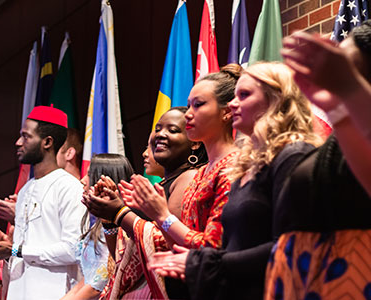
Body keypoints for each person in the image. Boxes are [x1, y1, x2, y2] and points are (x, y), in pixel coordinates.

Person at [148, 62, 323, 300]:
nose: (232, 103)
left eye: (244, 95)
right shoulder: (247, 165)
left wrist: (163, 218)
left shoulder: (293, 156)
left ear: (276, 100)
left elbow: (291, 244)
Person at [263, 21, 371, 299]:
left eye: (346, 69)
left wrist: (348, 90)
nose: (331, 76)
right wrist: (337, 106)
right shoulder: (341, 137)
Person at [122, 65, 241, 299]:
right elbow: (179, 245)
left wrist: (162, 216)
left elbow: (212, 249)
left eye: (199, 105)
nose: (188, 113)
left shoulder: (232, 168)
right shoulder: (204, 171)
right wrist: (154, 213)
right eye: (189, 105)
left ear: (227, 113)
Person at [83, 106, 207, 299]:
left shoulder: (189, 178)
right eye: (158, 130)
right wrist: (109, 220)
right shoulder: (165, 183)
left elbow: (165, 245)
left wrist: (120, 213)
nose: (160, 135)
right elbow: (122, 258)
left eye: (172, 130)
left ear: (195, 143)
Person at [0, 105, 86, 300]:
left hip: (53, 293)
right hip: (19, 291)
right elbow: (22, 251)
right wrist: (7, 249)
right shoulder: (26, 189)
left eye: (26, 136)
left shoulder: (69, 187)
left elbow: (73, 250)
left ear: (47, 142)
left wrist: (17, 250)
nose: (18, 142)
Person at [62, 154, 134, 300]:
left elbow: (100, 281)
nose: (82, 180)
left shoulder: (118, 227)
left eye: (89, 175)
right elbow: (90, 277)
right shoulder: (98, 225)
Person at [0, 128, 83, 224]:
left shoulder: (77, 190)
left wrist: (21, 214)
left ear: (69, 153)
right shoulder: (36, 187)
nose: (48, 154)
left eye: (53, 150)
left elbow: (71, 236)